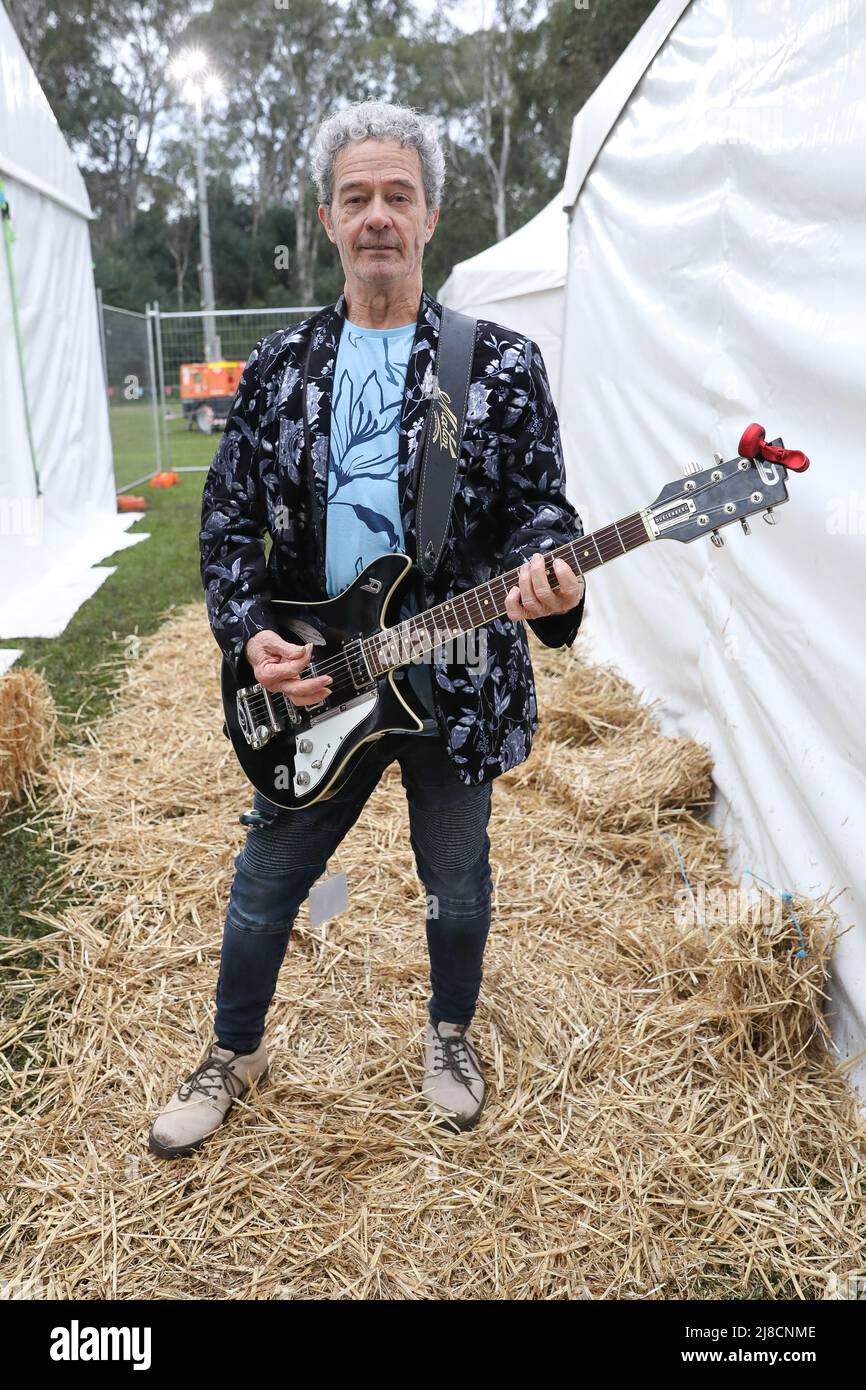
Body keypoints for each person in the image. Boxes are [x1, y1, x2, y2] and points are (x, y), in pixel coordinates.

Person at [148, 100, 586, 1160]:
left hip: (455, 680)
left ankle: (447, 1035)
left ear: (431, 215)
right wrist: (249, 632)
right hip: (317, 683)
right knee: (265, 884)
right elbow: (226, 524)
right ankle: (235, 1050)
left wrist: (553, 577)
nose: (378, 215)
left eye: (398, 195)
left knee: (457, 880)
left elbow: (541, 511)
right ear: (327, 219)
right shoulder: (278, 369)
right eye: (358, 198)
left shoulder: (498, 364)